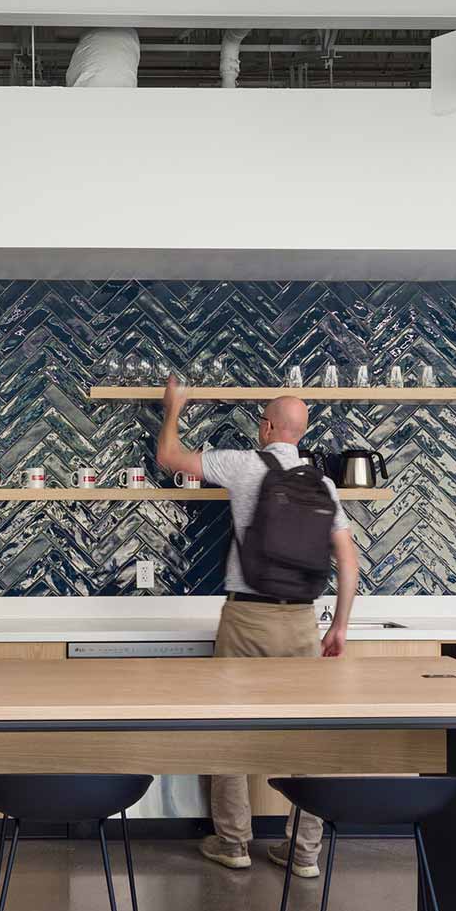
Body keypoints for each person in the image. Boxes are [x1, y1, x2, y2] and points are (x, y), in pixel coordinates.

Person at [154, 373, 358, 880]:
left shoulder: (244, 465)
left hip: (247, 617)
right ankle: (305, 852)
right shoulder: (324, 483)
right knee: (310, 738)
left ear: (266, 426)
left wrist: (174, 408)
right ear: (301, 433)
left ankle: (234, 843)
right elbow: (349, 563)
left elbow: (170, 459)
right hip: (303, 622)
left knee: (228, 729)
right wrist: (339, 628)